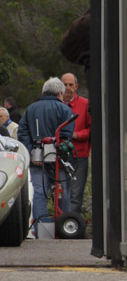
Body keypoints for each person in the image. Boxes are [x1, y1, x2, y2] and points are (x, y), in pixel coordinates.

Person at [18, 78, 75, 227]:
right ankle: (65, 226)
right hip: (59, 161)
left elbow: (22, 132)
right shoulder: (65, 109)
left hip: (37, 161)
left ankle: (40, 227)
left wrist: (32, 152)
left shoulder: (31, 109)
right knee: (62, 193)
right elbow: (67, 135)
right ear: (60, 93)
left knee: (39, 192)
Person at [61, 72, 91, 214]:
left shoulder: (85, 104)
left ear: (76, 86)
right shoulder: (56, 104)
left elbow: (92, 130)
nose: (67, 87)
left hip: (79, 155)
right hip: (60, 155)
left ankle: (72, 225)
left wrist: (76, 135)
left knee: (76, 194)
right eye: (65, 84)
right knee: (61, 192)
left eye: (70, 84)